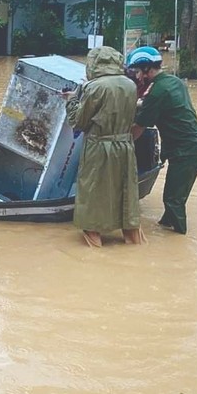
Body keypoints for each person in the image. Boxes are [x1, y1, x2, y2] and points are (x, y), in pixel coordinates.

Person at [63, 46, 144, 247]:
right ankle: (134, 241)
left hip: (99, 146)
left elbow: (79, 122)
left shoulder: (94, 87)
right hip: (125, 146)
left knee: (92, 194)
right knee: (125, 191)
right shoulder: (130, 85)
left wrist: (72, 100)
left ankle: (95, 245)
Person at [129, 46, 197, 235]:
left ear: (148, 69)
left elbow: (138, 129)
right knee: (174, 196)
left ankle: (179, 241)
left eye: (139, 72)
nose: (138, 77)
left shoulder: (157, 93)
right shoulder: (174, 82)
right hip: (194, 145)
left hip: (185, 151)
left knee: (173, 200)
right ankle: (166, 226)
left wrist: (118, 144)